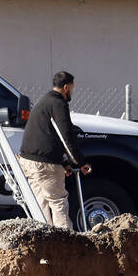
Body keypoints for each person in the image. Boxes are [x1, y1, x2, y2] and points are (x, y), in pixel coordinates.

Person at [18, 71, 92, 229]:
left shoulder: (43, 101)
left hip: (28, 160)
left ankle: (44, 242)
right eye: (72, 88)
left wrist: (64, 163)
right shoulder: (58, 104)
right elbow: (66, 135)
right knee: (59, 202)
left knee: (41, 205)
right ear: (66, 87)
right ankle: (66, 244)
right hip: (44, 164)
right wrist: (81, 162)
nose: (72, 91)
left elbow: (50, 136)